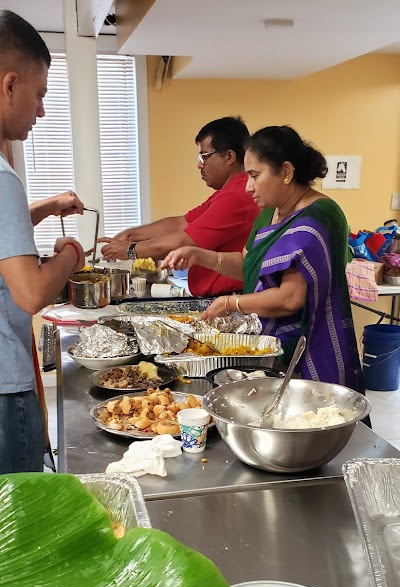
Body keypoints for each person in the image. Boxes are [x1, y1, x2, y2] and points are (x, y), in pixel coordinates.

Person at [162, 125, 364, 392]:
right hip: (271, 346)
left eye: (255, 176)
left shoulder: (318, 217)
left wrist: (230, 303)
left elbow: (290, 298)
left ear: (287, 172)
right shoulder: (271, 212)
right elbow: (247, 265)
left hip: (311, 348)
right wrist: (200, 256)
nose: (248, 187)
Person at [0, 10, 86, 473]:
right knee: (18, 528)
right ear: (10, 84)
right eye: (39, 95)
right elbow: (30, 291)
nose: (41, 110)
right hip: (4, 388)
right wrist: (72, 255)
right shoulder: (2, 178)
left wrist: (45, 208)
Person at [99, 116, 259, 297]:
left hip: (230, 299)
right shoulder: (226, 192)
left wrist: (130, 250)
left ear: (229, 156)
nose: (200, 165)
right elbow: (180, 223)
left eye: (204, 156)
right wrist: (131, 234)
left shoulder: (236, 196)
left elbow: (183, 241)